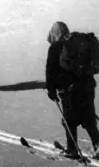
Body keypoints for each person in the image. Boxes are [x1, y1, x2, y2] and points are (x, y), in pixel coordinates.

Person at [46, 21, 99, 160]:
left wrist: (51, 90)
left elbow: (50, 71)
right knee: (89, 118)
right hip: (87, 86)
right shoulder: (78, 42)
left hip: (69, 90)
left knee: (69, 120)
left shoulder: (56, 47)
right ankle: (98, 145)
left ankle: (72, 149)